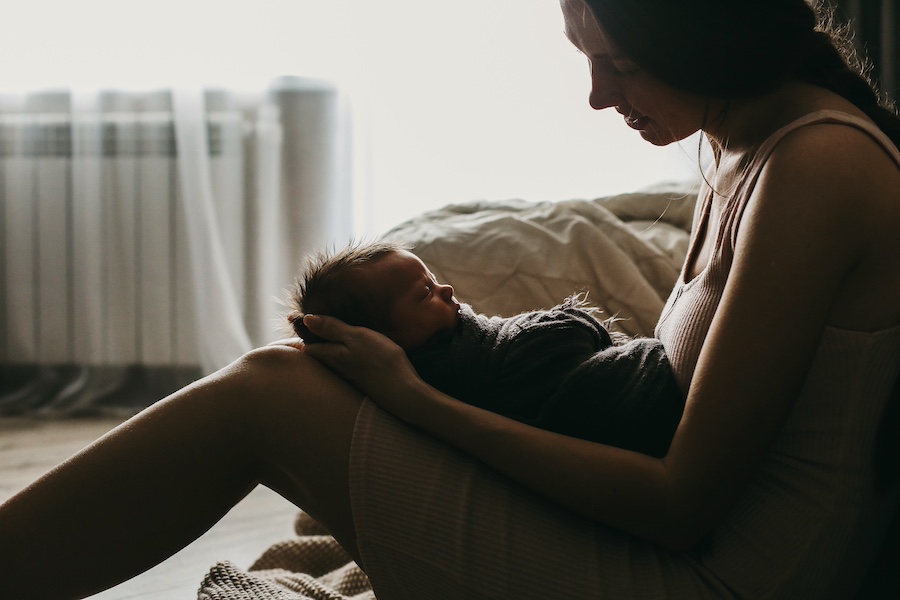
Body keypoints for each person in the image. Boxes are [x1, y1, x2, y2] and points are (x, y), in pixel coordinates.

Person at [2, 0, 900, 598]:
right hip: (675, 550)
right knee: (284, 381)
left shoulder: (816, 165)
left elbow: (678, 503)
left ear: (705, 36)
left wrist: (414, 401)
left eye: (619, 64)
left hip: (707, 579)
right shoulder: (745, 141)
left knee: (268, 397)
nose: (597, 97)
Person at [288, 240, 683, 457]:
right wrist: (565, 329)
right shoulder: (444, 373)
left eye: (435, 279)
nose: (446, 289)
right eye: (425, 293)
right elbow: (560, 342)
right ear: (379, 340)